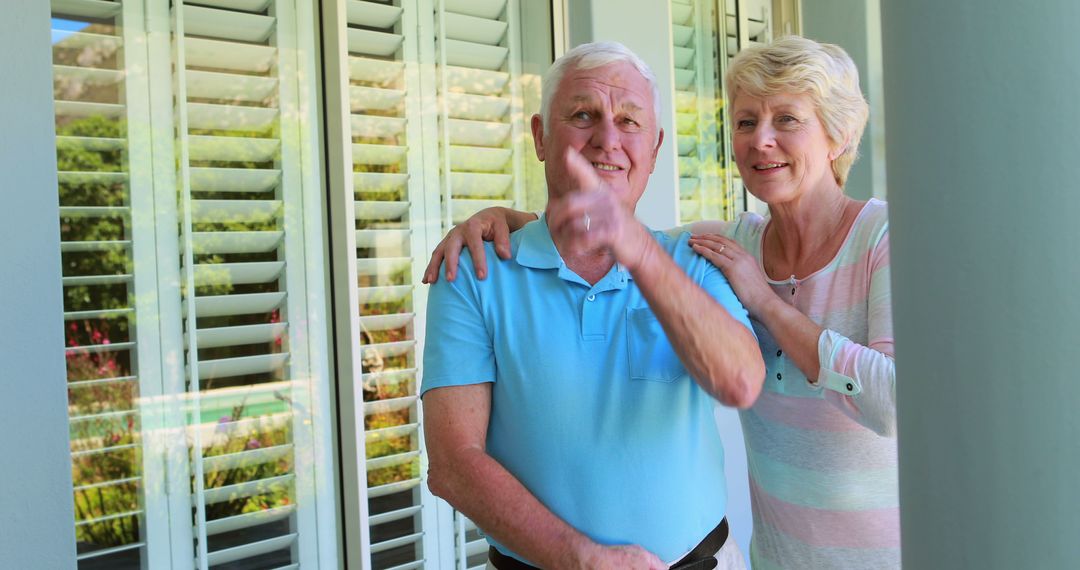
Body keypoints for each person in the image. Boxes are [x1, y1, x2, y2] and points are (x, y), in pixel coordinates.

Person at [425, 36, 899, 569]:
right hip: (782, 556)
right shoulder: (730, 244)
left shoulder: (881, 237)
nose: (762, 140)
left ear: (837, 136)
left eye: (786, 120)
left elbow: (891, 400)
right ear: (541, 136)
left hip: (887, 551)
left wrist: (766, 305)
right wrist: (507, 219)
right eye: (746, 122)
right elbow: (607, 230)